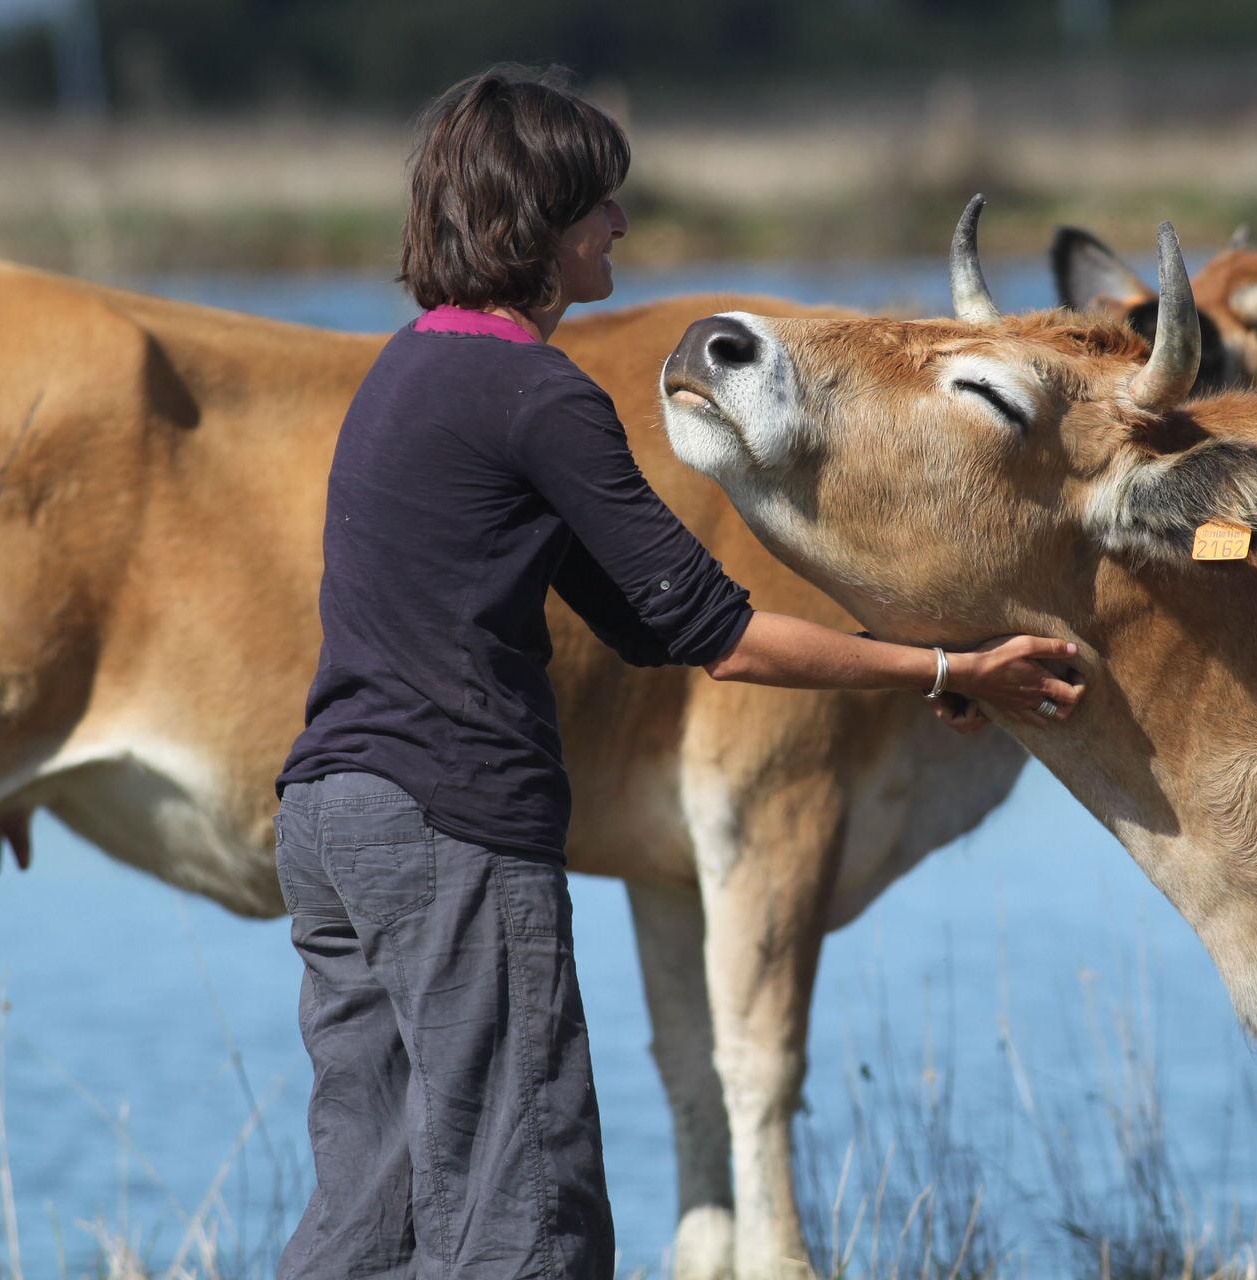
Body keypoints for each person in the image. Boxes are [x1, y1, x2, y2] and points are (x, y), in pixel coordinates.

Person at [271, 65, 1085, 1279]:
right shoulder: (541, 390)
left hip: (333, 826)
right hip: (451, 822)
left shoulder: (406, 372)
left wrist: (917, 666)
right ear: (538, 223)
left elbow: (644, 619)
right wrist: (946, 663)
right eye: (599, 204)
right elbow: (719, 631)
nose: (619, 228)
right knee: (523, 1206)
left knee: (372, 1211)